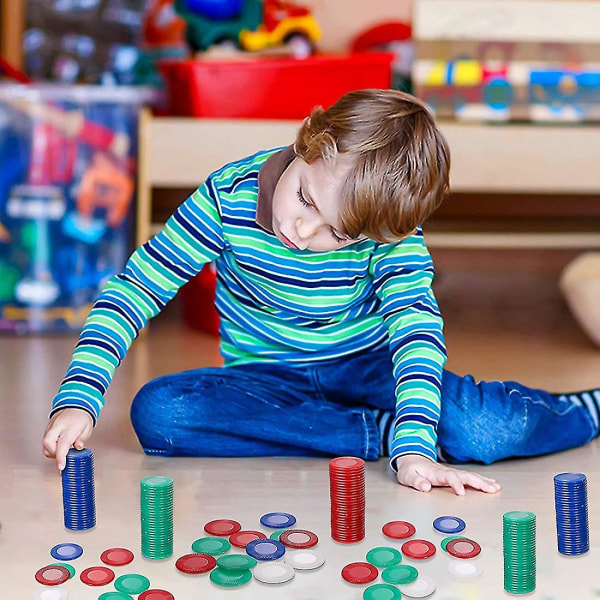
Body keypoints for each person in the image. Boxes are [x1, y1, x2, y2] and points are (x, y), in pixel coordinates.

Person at [42, 89, 600, 496]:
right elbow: (135, 289)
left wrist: (414, 444)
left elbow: (416, 330)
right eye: (307, 199)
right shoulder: (226, 196)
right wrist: (77, 398)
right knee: (161, 415)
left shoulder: (390, 232)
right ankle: (372, 431)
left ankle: (583, 409)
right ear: (309, 140)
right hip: (264, 375)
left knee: (481, 427)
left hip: (368, 367)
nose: (305, 235)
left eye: (339, 233)